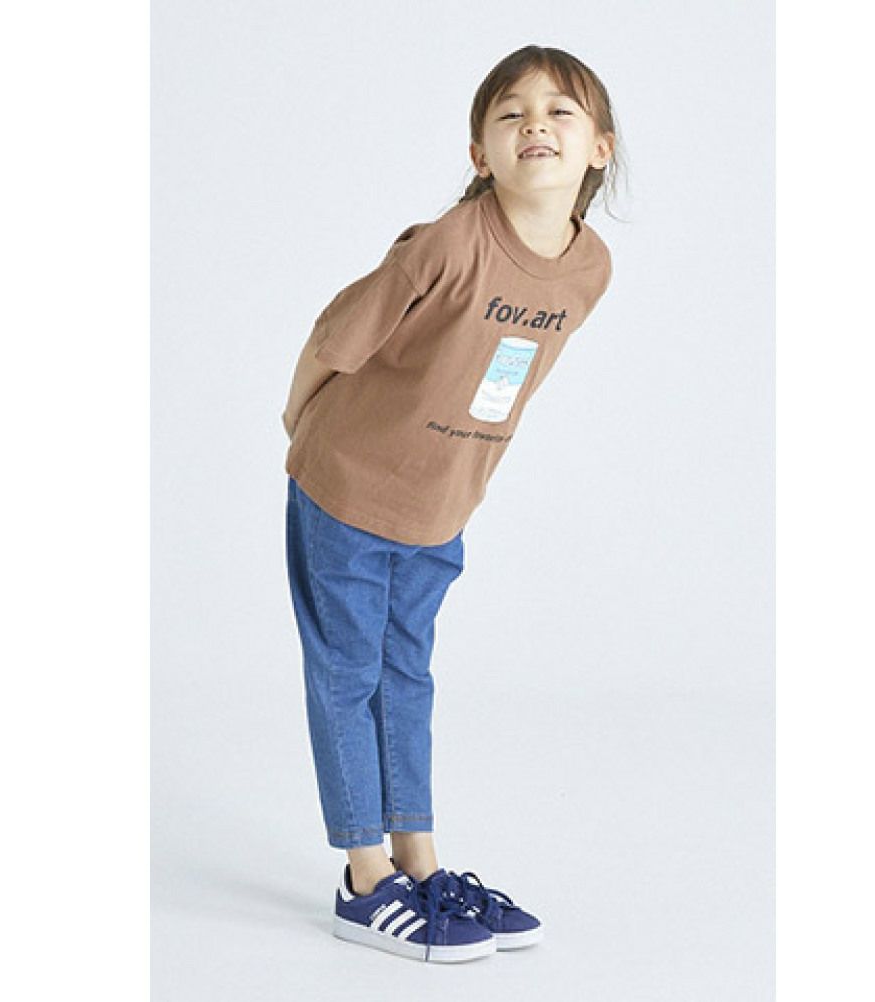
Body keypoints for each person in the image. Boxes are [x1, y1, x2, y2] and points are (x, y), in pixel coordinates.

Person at [281, 44, 620, 963]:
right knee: (348, 674)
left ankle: (420, 864)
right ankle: (364, 881)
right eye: (511, 114)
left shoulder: (590, 269)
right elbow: (336, 335)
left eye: (559, 111)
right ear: (480, 153)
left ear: (599, 147)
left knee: (408, 676)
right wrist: (299, 420)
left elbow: (502, 382)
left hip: (439, 503)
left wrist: (458, 475)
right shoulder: (448, 243)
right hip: (347, 486)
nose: (535, 124)